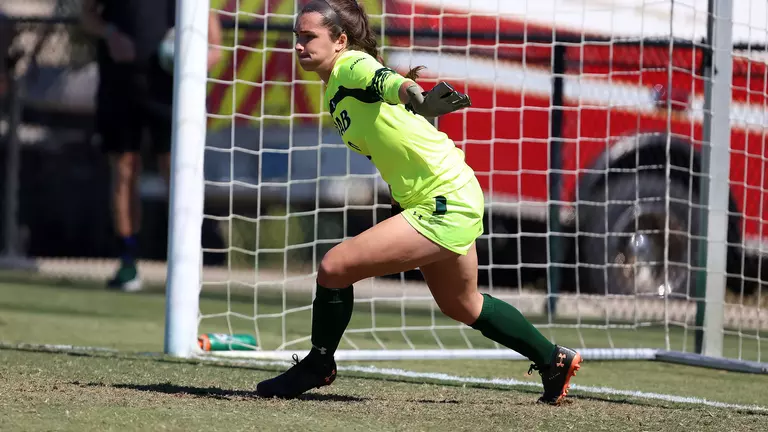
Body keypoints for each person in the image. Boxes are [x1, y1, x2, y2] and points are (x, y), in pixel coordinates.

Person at [255, 0, 582, 405]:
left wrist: (418, 96)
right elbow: (390, 142)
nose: (300, 46)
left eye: (309, 37)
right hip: (443, 192)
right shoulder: (336, 88)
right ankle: (553, 359)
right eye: (297, 37)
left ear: (340, 40)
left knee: (334, 267)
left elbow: (389, 81)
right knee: (463, 304)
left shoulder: (350, 66)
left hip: (443, 197)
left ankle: (318, 364)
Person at [80, 0, 222, 291]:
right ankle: (128, 260)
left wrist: (204, 55)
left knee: (177, 171)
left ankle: (183, 260)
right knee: (124, 169)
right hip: (120, 83)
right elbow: (87, 15)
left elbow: (213, 37)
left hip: (168, 88)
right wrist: (111, 34)